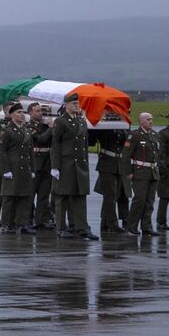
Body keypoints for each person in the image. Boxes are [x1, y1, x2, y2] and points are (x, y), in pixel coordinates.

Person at [50, 93, 98, 240]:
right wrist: (55, 166)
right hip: (66, 164)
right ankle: (61, 227)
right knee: (62, 197)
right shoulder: (61, 121)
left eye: (78, 104)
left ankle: (81, 227)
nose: (77, 106)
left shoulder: (81, 121)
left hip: (79, 165)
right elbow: (56, 144)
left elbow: (84, 145)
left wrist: (85, 162)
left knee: (79, 197)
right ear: (66, 105)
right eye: (74, 104)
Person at [0, 103, 37, 234]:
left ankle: (22, 224)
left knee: (24, 197)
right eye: (18, 112)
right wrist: (6, 170)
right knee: (9, 197)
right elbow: (2, 152)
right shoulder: (7, 131)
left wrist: (32, 168)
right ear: (12, 115)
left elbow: (30, 151)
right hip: (12, 168)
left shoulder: (26, 130)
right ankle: (6, 224)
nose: (22, 114)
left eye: (22, 112)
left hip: (24, 168)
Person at [124, 113, 161, 236]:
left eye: (152, 119)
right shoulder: (135, 135)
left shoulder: (154, 135)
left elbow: (157, 154)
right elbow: (126, 155)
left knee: (150, 201)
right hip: (140, 172)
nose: (151, 121)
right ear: (141, 121)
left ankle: (147, 227)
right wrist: (128, 172)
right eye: (148, 119)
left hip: (152, 172)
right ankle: (132, 227)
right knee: (139, 200)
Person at [93, 129, 131, 232]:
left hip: (120, 164)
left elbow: (127, 143)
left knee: (120, 195)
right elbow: (93, 139)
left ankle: (107, 223)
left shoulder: (124, 127)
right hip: (107, 164)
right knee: (110, 196)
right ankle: (112, 224)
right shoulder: (105, 128)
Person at [26, 102, 55, 229]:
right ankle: (28, 219)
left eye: (40, 111)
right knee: (31, 194)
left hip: (47, 163)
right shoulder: (29, 126)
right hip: (36, 163)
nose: (40, 113)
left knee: (44, 194)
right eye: (37, 111)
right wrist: (51, 128)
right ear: (31, 113)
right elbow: (41, 139)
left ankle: (41, 219)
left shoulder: (44, 125)